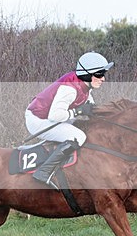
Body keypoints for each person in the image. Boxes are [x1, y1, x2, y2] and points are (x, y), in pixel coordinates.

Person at [25, 51, 113, 188]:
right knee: (78, 136)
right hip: (39, 120)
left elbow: (90, 107)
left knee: (86, 128)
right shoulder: (70, 89)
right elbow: (55, 115)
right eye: (99, 75)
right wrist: (77, 111)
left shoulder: (85, 85)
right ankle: (43, 172)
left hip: (50, 117)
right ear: (88, 75)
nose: (103, 79)